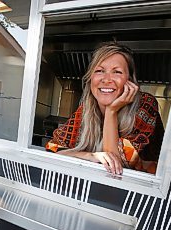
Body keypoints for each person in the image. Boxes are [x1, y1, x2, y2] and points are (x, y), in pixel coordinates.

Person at [46, 42, 164, 175]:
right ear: (91, 78)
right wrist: (90, 156)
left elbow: (117, 165)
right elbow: (53, 149)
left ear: (130, 80)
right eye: (100, 71)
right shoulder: (87, 108)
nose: (106, 79)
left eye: (117, 72)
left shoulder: (146, 104)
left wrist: (111, 111)